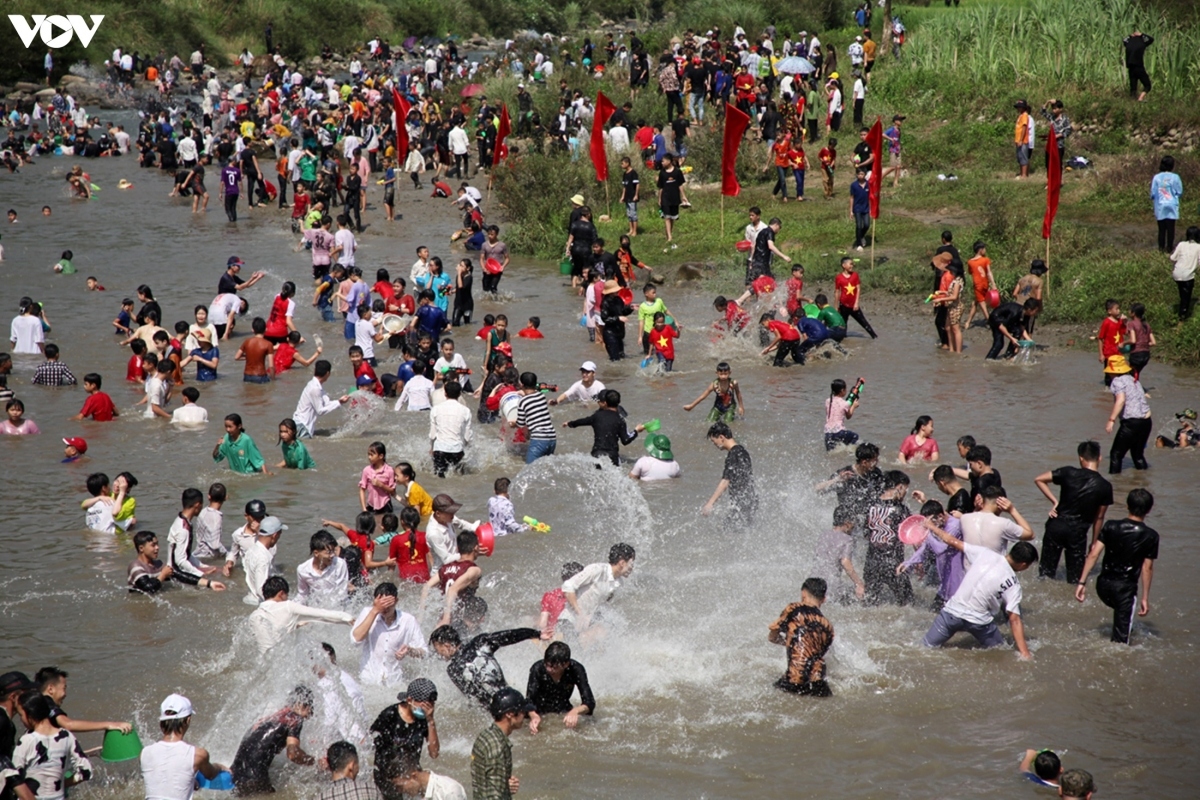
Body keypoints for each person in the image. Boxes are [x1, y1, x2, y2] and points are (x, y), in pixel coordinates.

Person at [922, 527, 1037, 660]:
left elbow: (952, 541)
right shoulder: (1013, 583)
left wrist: (931, 526)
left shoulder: (985, 553)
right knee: (1000, 652)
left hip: (950, 614)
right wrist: (1025, 653)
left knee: (924, 648)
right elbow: (1014, 620)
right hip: (978, 622)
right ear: (1023, 565)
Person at [1074, 488, 1158, 644]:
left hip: (1103, 586)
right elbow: (1147, 568)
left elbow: (1093, 554)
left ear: (1127, 506)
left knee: (1123, 621)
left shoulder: (1111, 526)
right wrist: (1145, 598)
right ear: (1149, 510)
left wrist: (1082, 582)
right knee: (1121, 644)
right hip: (1124, 591)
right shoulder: (1150, 536)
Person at [1034, 441, 1113, 584]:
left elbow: (1039, 479)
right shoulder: (1105, 486)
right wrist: (1094, 542)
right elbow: (1099, 517)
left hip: (1056, 525)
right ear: (1099, 458)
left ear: (1081, 458)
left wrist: (1055, 502)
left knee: (1045, 574)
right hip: (1077, 533)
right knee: (1074, 579)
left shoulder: (1068, 472)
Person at [430, 625, 543, 717]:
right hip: (514, 698)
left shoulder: (453, 670)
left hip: (498, 713)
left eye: (438, 649)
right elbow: (509, 635)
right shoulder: (479, 643)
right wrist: (535, 633)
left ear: (447, 646)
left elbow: (473, 697)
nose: (438, 654)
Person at [230, 686, 317, 795]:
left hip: (234, 777)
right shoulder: (295, 719)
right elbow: (293, 754)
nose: (311, 714)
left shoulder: (271, 718)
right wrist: (315, 762)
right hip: (255, 781)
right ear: (303, 705)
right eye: (311, 708)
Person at [141, 694, 227, 800]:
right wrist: (220, 766)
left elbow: (163, 778)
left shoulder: (144, 753)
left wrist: (190, 782)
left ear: (162, 722)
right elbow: (211, 775)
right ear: (188, 720)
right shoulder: (198, 755)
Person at [12, 692, 92, 800]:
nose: (21, 719)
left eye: (21, 715)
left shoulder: (27, 740)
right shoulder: (67, 736)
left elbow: (13, 777)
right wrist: (62, 784)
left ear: (30, 715)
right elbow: (86, 771)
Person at [248, 576, 354, 655]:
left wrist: (296, 625)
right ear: (281, 594)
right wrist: (348, 618)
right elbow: (321, 614)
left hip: (266, 664)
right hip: (285, 663)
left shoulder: (254, 616)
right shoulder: (287, 606)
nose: (287, 598)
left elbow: (273, 634)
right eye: (287, 595)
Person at [369, 678, 439, 797]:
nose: (427, 710)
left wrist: (431, 720)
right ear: (410, 700)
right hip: (388, 779)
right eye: (424, 706)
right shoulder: (390, 716)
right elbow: (369, 744)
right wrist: (398, 781)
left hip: (413, 776)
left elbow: (434, 753)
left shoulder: (424, 720)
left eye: (430, 706)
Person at [768, 577, 834, 696]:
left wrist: (788, 642)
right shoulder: (828, 626)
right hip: (820, 685)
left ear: (803, 594)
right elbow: (816, 652)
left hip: (794, 680)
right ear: (823, 599)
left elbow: (772, 636)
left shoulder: (794, 609)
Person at [352, 583, 427, 687]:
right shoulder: (367, 612)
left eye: (388, 603)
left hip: (394, 682)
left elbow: (424, 653)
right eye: (382, 604)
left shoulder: (408, 620)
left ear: (396, 601)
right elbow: (355, 640)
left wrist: (410, 651)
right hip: (368, 680)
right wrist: (375, 610)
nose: (385, 608)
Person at [470, 688, 533, 800]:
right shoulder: (498, 747)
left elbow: (484, 781)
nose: (524, 715)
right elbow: (494, 796)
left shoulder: (485, 736)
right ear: (509, 714)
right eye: (522, 711)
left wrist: (504, 784)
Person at [563, 389, 643, 466]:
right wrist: (636, 431)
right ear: (619, 402)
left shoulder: (597, 416)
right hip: (612, 456)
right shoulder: (620, 420)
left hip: (597, 453)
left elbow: (582, 421)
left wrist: (570, 423)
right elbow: (625, 440)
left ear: (605, 402)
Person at [525, 641, 594, 726]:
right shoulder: (537, 668)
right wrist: (534, 716)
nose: (549, 669)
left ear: (566, 664)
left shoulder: (576, 669)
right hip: (538, 712)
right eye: (547, 665)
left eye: (554, 667)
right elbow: (528, 701)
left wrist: (575, 711)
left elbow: (590, 702)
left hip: (564, 709)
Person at [703, 422, 757, 524]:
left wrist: (710, 503)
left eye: (714, 441)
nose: (714, 444)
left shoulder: (732, 455)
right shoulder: (743, 451)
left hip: (742, 503)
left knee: (726, 531)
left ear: (721, 437)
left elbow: (725, 482)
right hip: (751, 500)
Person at [1106, 358, 1151, 474]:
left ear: (1113, 371)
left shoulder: (1117, 381)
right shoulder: (1133, 379)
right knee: (1137, 455)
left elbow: (1120, 400)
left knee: (1116, 454)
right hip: (1146, 422)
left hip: (1131, 423)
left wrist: (1111, 420)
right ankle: (1144, 479)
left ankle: (1115, 485)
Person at [293, 361, 350, 437]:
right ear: (327, 373)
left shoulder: (315, 385)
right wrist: (338, 403)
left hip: (300, 425)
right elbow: (320, 411)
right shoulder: (315, 388)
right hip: (303, 426)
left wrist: (340, 402)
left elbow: (326, 403)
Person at [428, 381, 473, 477]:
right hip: (457, 450)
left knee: (439, 479)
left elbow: (432, 435)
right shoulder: (466, 411)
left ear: (445, 393)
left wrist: (432, 448)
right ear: (460, 394)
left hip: (439, 449)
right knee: (457, 477)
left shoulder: (436, 409)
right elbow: (467, 437)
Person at [515, 372, 557, 463]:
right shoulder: (541, 396)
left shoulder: (523, 401)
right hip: (552, 437)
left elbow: (520, 424)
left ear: (521, 384)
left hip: (539, 439)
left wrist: (512, 423)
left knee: (529, 470)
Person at [835, 257, 877, 338]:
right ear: (844, 265)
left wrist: (856, 303)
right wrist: (836, 306)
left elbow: (858, 288)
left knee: (864, 322)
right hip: (843, 305)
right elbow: (837, 292)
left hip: (853, 305)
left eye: (852, 264)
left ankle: (874, 336)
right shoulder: (839, 277)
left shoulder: (855, 275)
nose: (852, 266)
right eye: (850, 264)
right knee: (843, 325)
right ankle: (843, 341)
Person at [1150, 155, 1182, 252]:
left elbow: (1153, 193)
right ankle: (1169, 248)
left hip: (1160, 205)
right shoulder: (1175, 177)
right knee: (1171, 228)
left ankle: (1161, 248)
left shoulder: (1156, 177)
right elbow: (1179, 191)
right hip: (1172, 205)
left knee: (1162, 229)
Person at [1168, 225, 1198, 319]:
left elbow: (1172, 258)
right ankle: (1183, 316)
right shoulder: (1199, 247)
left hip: (1176, 273)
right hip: (1188, 276)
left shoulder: (1181, 244)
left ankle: (1182, 310)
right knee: (1186, 297)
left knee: (1182, 292)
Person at [1123, 28, 1154, 101]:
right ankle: (1140, 98)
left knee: (1133, 89)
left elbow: (1124, 40)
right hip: (1139, 67)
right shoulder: (1142, 42)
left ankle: (1132, 103)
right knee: (1147, 85)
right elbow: (1151, 39)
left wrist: (1130, 36)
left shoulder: (1129, 43)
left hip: (1131, 67)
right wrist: (1142, 34)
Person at [848, 169, 870, 250]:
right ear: (857, 175)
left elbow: (871, 197)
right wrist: (851, 211)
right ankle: (858, 244)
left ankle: (861, 236)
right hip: (857, 208)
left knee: (867, 224)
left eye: (862, 174)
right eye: (859, 174)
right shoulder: (854, 185)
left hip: (866, 208)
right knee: (859, 225)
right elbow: (851, 198)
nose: (860, 176)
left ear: (865, 175)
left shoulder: (868, 184)